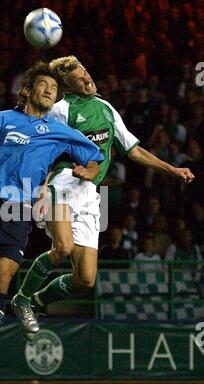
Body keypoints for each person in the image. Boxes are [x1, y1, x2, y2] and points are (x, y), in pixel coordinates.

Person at [0, 61, 103, 374]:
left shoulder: (60, 131)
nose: (49, 90)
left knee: (1, 279)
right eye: (44, 84)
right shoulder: (1, 119)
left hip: (20, 209)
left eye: (54, 89)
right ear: (27, 89)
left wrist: (89, 170)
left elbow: (94, 156)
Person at [13, 55, 195, 340]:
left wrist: (171, 169)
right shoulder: (61, 109)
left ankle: (36, 301)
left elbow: (132, 150)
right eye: (78, 79)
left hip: (89, 195)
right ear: (67, 87)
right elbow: (38, 142)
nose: (86, 79)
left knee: (85, 279)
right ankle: (21, 299)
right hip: (61, 183)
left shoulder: (106, 108)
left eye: (85, 73)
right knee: (61, 248)